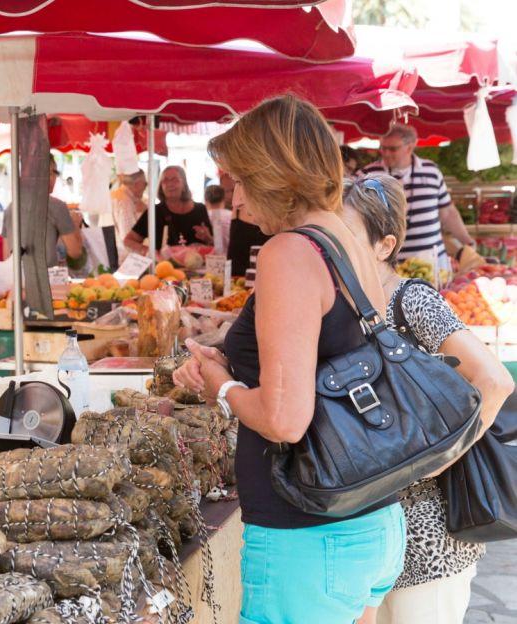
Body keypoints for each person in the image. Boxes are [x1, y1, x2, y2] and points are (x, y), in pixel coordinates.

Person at [172, 95, 407, 624]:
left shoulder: (289, 251)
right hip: (371, 520)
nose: (231, 199)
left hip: (309, 534)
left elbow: (285, 419)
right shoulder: (346, 238)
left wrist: (220, 385)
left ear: (270, 172)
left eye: (237, 179)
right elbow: (324, 361)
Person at [341, 174, 511, 624]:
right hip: (366, 532)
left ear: (385, 244)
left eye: (346, 234)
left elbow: (495, 381)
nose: (333, 246)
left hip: (428, 532)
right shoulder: (343, 306)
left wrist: (436, 462)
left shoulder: (410, 298)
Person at [359, 124, 476, 266]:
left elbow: (447, 212)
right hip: (389, 266)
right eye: (383, 148)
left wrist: (467, 241)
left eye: (392, 149)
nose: (386, 153)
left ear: (410, 147)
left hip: (433, 264)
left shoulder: (431, 171)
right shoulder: (367, 175)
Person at [1, 155, 86, 270]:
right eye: (51, 173)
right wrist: (75, 224)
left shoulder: (10, 208)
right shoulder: (56, 207)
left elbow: (6, 256)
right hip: (46, 281)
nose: (52, 177)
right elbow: (75, 253)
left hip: (15, 280)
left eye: (54, 173)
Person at [124, 165, 212, 254]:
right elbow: (128, 240)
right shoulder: (154, 212)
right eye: (165, 180)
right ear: (161, 186)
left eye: (175, 179)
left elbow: (212, 244)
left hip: (198, 267)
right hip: (164, 266)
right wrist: (150, 252)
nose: (170, 184)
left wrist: (208, 238)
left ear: (184, 184)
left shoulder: (200, 209)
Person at [224, 170, 272, 278]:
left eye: (240, 183)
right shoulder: (237, 209)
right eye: (236, 182)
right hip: (235, 282)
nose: (235, 201)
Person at [110, 169, 148, 260]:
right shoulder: (125, 202)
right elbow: (128, 240)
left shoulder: (116, 195)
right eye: (145, 184)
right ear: (137, 184)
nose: (145, 187)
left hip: (114, 253)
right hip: (123, 258)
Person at [204, 184, 231, 253]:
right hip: (231, 259)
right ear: (224, 198)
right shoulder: (231, 216)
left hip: (208, 259)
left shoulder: (203, 217)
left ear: (206, 200)